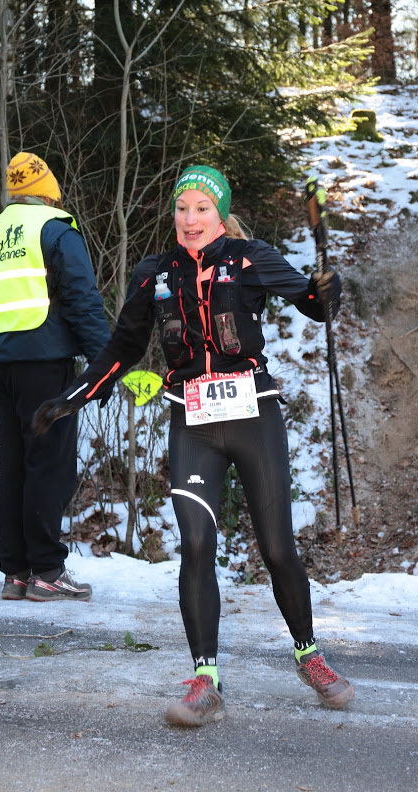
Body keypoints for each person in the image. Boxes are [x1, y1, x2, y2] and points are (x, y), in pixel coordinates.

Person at [32, 164, 355, 723]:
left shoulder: (251, 256)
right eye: (182, 209)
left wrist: (328, 289)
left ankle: (309, 655)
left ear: (220, 213)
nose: (190, 219)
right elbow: (122, 347)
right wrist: (78, 395)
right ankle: (206, 679)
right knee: (197, 546)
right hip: (192, 420)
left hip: (254, 413)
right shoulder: (155, 273)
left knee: (278, 550)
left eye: (202, 208)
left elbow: (312, 302)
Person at [0, 151, 110, 602]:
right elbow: (82, 298)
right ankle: (48, 570)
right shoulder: (54, 231)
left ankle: (17, 574)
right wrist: (105, 365)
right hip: (45, 365)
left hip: (1, 367)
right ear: (49, 192)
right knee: (49, 463)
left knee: (13, 468)